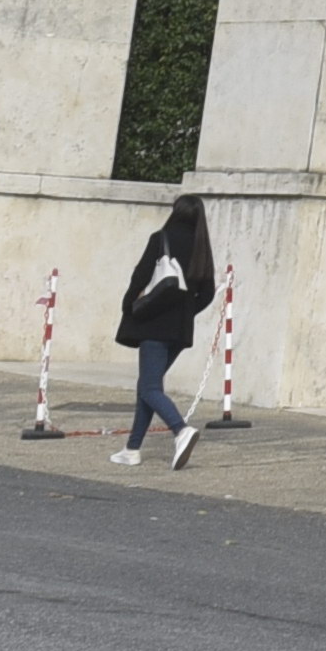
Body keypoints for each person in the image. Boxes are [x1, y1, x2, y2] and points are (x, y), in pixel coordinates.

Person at [110, 194, 216, 470]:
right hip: (180, 331)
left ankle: (181, 430)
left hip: (154, 323)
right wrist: (186, 312)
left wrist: (129, 306)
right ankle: (132, 448)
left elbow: (141, 276)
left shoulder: (161, 239)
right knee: (148, 386)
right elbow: (207, 293)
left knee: (149, 387)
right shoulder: (201, 247)